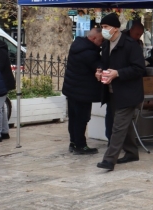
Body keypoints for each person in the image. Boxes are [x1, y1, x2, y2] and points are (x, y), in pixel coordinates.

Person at [96, 13, 147, 171]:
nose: (103, 30)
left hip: (129, 92)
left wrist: (118, 73)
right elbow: (104, 63)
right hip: (112, 91)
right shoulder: (106, 45)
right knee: (125, 125)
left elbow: (139, 69)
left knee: (118, 126)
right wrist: (100, 72)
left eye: (105, 27)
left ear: (115, 28)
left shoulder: (131, 45)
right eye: (102, 27)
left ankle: (109, 159)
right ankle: (131, 152)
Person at [62, 28, 103, 154]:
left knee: (73, 118)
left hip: (72, 89)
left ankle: (73, 142)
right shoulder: (89, 53)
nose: (102, 43)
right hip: (82, 91)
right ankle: (80, 145)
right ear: (94, 38)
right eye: (101, 40)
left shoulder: (77, 46)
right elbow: (99, 65)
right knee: (82, 118)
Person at [0, 38, 15, 143]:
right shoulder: (1, 48)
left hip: (1, 83)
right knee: (1, 108)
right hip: (3, 82)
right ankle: (4, 132)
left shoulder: (0, 50)